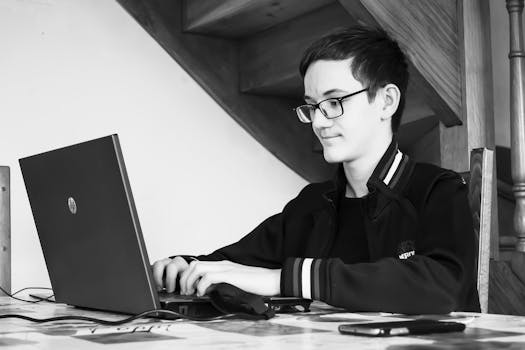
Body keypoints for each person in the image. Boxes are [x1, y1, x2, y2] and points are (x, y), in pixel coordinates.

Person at [152, 25, 480, 314]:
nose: (319, 122)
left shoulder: (438, 190)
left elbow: (442, 287)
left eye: (335, 102)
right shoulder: (312, 204)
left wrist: (287, 279)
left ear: (386, 101)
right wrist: (184, 266)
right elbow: (237, 263)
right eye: (312, 106)